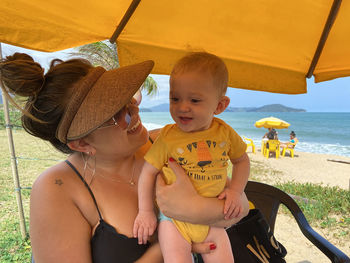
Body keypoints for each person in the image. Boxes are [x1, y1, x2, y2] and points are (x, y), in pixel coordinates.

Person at [0, 53, 249, 263]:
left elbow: (241, 208)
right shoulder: (57, 188)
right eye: (116, 113)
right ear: (83, 143)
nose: (133, 110)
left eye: (126, 98)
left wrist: (193, 210)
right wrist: (169, 245)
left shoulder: (165, 141)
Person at [133, 52, 250, 263]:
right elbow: (147, 173)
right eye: (175, 98)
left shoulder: (225, 133)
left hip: (211, 222)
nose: (182, 107)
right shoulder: (168, 137)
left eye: (194, 100)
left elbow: (241, 161)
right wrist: (145, 211)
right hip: (173, 222)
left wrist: (235, 191)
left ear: (220, 106)